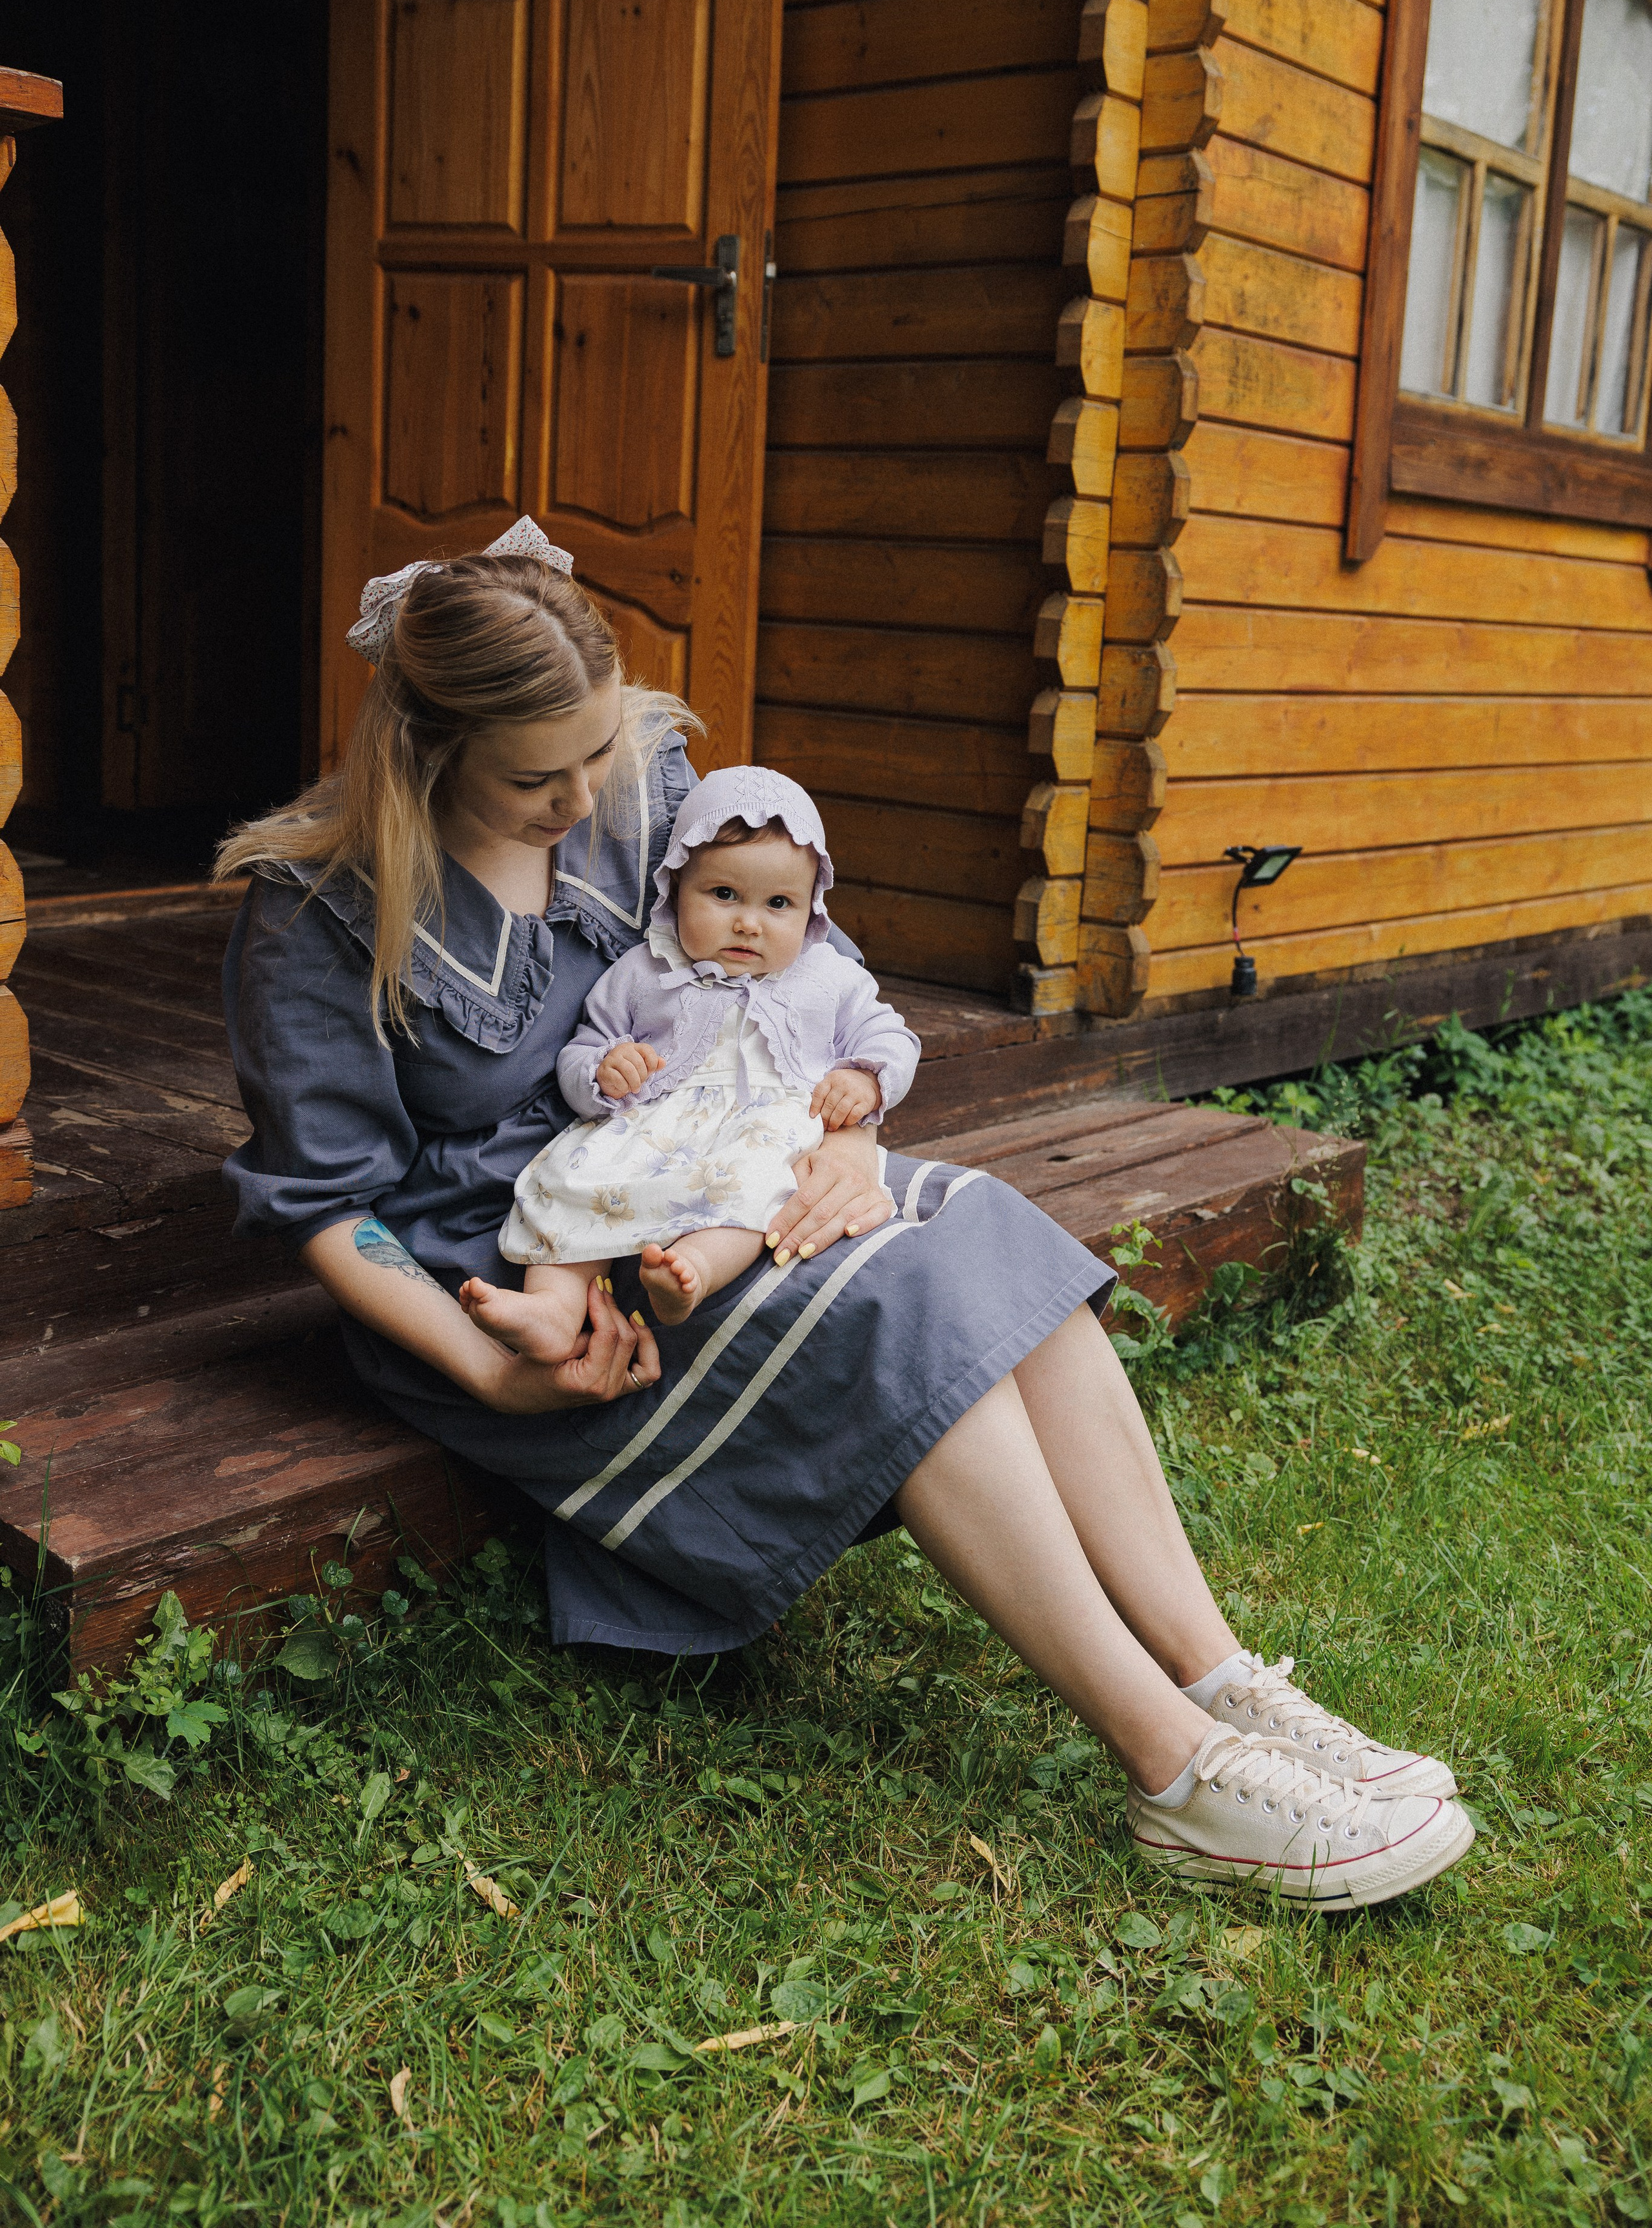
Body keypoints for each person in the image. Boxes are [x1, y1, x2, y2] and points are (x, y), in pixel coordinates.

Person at [217, 520, 1473, 1908]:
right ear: (425, 749)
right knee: (892, 1304)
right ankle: (1174, 1773)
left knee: (974, 1224)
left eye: (599, 753)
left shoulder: (637, 784)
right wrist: (485, 1370)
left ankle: (1218, 1678)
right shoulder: (312, 915)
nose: (586, 796)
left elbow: (804, 947)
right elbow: (329, 1210)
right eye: (538, 774)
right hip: (499, 1270)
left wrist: (857, 1136)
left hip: (707, 1153)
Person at [456, 764, 920, 1349]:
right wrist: (603, 1071)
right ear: (676, 888)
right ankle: (551, 1309)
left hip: (762, 1129)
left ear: (812, 909)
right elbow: (585, 1046)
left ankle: (690, 1275)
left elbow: (893, 1037)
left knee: (757, 1192)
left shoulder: (827, 977)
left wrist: (867, 1078)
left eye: (778, 903)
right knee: (575, 1184)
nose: (748, 922)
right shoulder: (645, 970)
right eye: (723, 894)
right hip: (650, 1132)